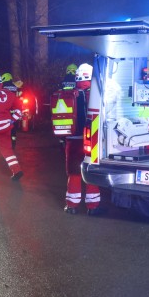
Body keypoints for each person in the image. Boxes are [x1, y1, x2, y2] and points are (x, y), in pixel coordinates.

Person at [63, 63, 103, 215]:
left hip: (73, 139)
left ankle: (72, 205)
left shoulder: (69, 94)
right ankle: (93, 207)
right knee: (91, 170)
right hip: (93, 139)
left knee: (74, 171)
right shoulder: (98, 92)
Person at [1, 72, 20, 148]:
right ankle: (13, 143)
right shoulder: (15, 87)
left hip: (5, 111)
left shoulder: (2, 87)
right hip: (14, 112)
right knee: (13, 128)